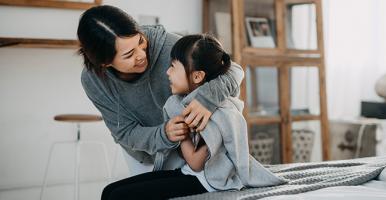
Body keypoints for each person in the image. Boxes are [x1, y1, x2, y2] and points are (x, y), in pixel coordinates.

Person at [101, 34, 285, 200]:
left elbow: (197, 163)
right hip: (189, 173)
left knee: (118, 196)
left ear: (197, 76)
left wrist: (182, 133)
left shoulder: (211, 113)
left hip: (208, 181)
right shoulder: (185, 103)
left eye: (173, 66)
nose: (167, 72)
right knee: (109, 191)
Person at [77, 5, 244, 176]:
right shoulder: (93, 81)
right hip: (143, 154)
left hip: (188, 149)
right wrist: (164, 134)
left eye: (141, 41)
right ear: (105, 64)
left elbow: (234, 71)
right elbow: (125, 132)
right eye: (129, 55)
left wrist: (206, 99)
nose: (141, 54)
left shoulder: (169, 45)